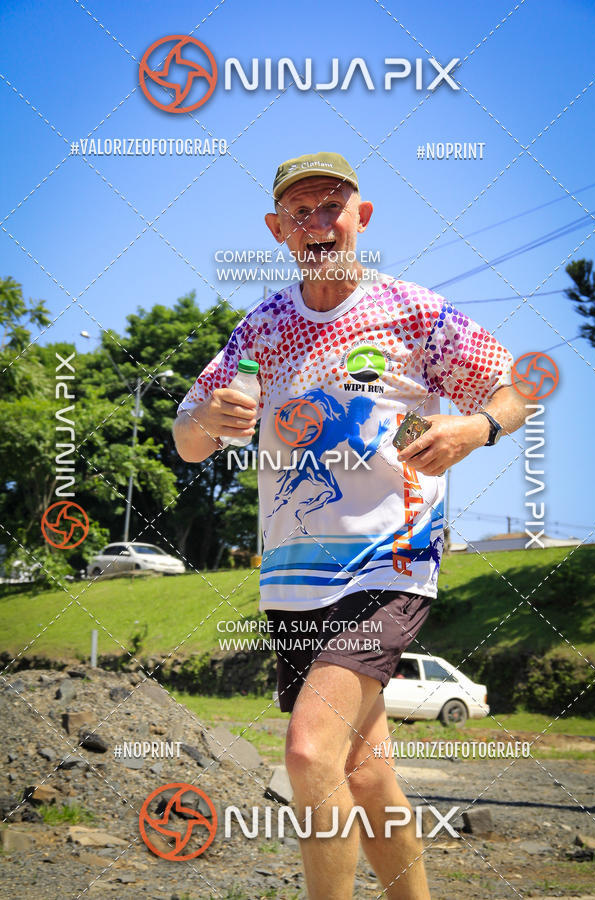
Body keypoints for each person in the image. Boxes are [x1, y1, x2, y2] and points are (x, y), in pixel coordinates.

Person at [173, 152, 530, 899]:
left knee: (308, 753)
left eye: (330, 207)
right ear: (277, 229)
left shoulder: (413, 311)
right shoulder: (261, 327)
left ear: (361, 217)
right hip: (294, 583)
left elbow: (513, 391)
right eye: (299, 212)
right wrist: (207, 416)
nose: (317, 224)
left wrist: (476, 430)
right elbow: (190, 438)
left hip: (388, 563)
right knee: (365, 771)